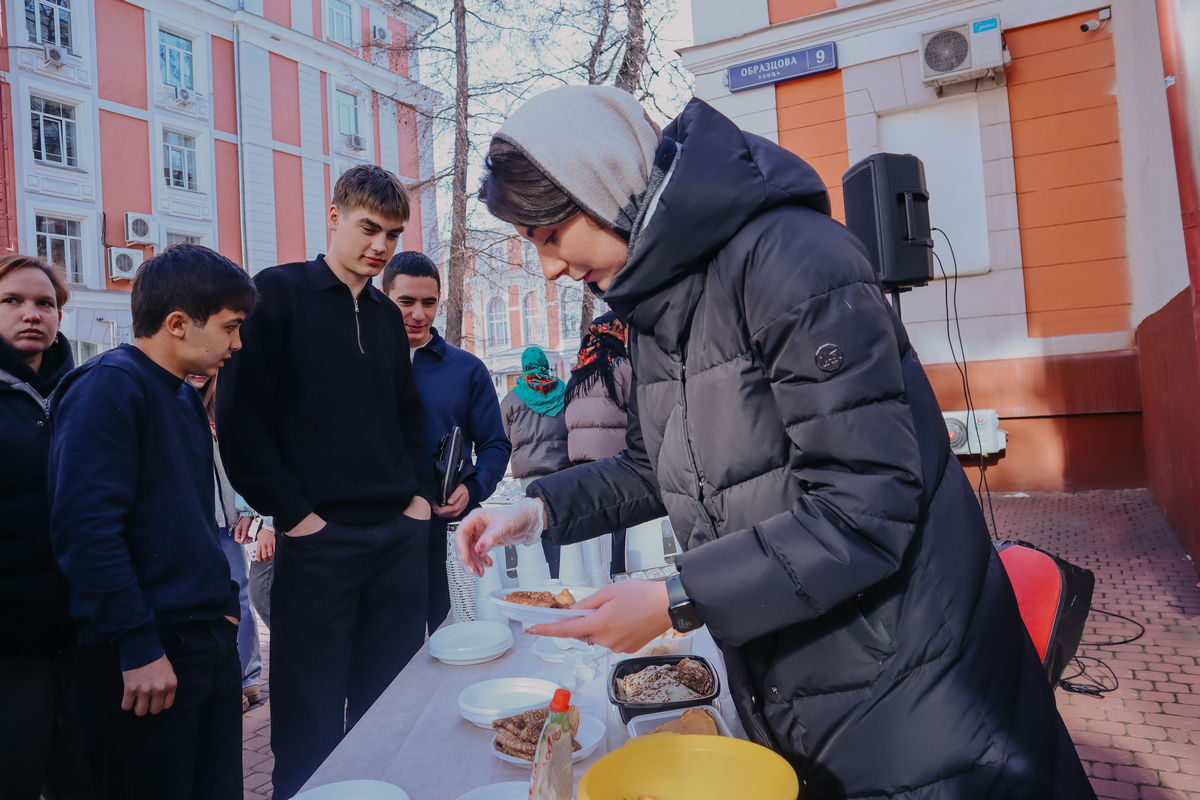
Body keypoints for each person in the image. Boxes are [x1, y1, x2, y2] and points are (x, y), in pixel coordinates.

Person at [456, 85, 1095, 798]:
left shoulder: (793, 261)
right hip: (798, 666)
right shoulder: (657, 304)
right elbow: (652, 466)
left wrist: (676, 599)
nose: (547, 265)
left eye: (549, 235)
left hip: (906, 680)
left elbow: (865, 508)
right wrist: (538, 510)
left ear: (602, 185)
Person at [217, 165, 435, 799]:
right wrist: (295, 515)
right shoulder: (276, 296)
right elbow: (240, 422)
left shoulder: (390, 318)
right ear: (334, 216)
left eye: (392, 235)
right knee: (308, 717)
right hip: (319, 543)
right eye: (369, 228)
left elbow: (408, 419)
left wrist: (419, 500)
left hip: (397, 538)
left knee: (389, 705)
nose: (380, 246)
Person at [48, 245, 256, 800]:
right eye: (230, 327)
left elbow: (186, 521)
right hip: (147, 659)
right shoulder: (107, 386)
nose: (237, 344)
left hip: (198, 646)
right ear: (178, 324)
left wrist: (222, 613)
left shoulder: (182, 397)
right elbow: (86, 530)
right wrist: (137, 644)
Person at [382, 251, 511, 632]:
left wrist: (471, 490)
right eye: (406, 302)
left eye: (428, 302)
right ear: (384, 296)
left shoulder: (466, 369)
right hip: (378, 527)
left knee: (452, 633)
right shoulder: (361, 364)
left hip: (446, 526)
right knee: (390, 647)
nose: (418, 314)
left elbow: (495, 444)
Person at [0, 255, 75, 800]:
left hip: (81, 630)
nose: (32, 314)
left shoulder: (81, 393)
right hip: (11, 641)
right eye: (12, 302)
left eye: (45, 304)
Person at [185, 372, 264, 711]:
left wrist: (249, 510)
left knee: (240, 598)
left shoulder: (225, 402)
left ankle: (246, 678)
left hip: (226, 520)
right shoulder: (168, 398)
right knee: (203, 603)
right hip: (188, 520)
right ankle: (225, 679)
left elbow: (247, 460)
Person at [563, 310, 632, 574]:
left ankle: (593, 575)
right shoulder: (621, 367)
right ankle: (618, 573)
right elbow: (637, 407)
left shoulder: (579, 372)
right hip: (613, 458)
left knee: (593, 521)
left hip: (579, 459)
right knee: (619, 522)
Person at [499, 345, 570, 576]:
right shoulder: (564, 391)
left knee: (539, 523)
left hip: (530, 475)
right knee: (560, 520)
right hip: (562, 469)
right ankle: (563, 570)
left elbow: (504, 435)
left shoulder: (512, 400)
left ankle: (547, 575)